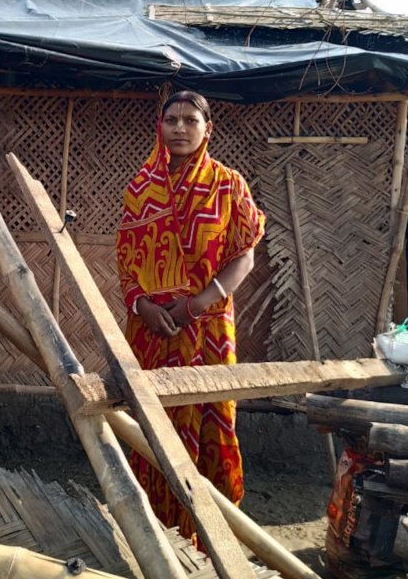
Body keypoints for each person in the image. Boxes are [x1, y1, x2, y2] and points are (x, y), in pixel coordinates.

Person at [116, 90, 265, 542]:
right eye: (171, 120)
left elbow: (244, 256)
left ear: (207, 128)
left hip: (207, 328)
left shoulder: (228, 185)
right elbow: (126, 260)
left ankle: (208, 536)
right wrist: (143, 305)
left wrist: (194, 305)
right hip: (150, 333)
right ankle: (153, 534)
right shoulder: (140, 189)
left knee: (212, 423)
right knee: (150, 427)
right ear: (159, 127)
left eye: (190, 120)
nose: (179, 128)